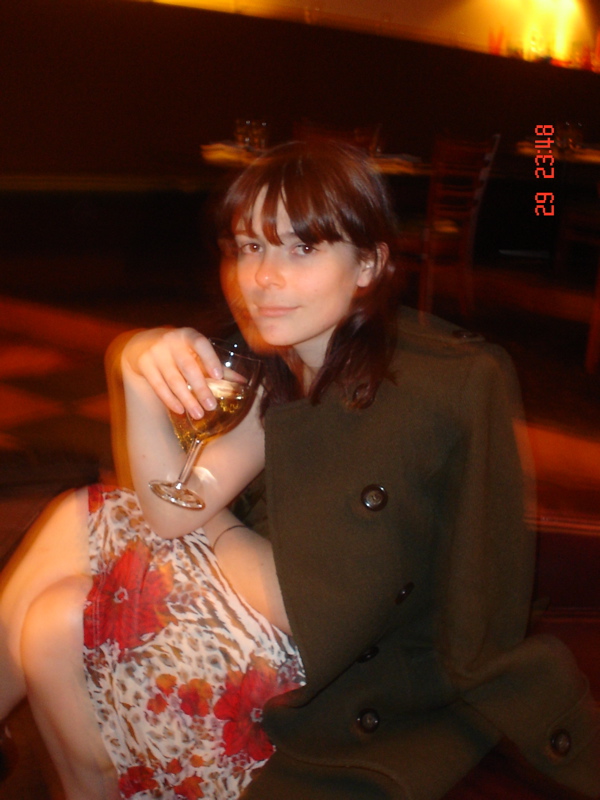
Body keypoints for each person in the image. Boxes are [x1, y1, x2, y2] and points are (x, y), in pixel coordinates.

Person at [0, 140, 599, 800]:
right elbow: (171, 509)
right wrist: (132, 367)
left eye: (302, 248)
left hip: (336, 672)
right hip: (278, 610)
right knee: (54, 617)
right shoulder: (287, 361)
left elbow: (307, 607)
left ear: (368, 263)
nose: (262, 277)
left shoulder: (410, 398)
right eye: (250, 246)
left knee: (74, 552)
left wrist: (210, 523)